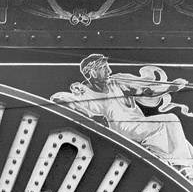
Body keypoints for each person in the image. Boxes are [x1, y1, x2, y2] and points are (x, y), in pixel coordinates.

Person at [50, 54, 193, 179]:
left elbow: (146, 90)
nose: (109, 71)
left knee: (184, 144)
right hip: (124, 129)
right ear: (93, 72)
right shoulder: (84, 92)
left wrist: (170, 87)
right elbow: (60, 99)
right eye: (104, 68)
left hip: (138, 125)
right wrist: (87, 114)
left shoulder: (116, 83)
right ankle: (185, 170)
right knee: (170, 120)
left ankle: (178, 168)